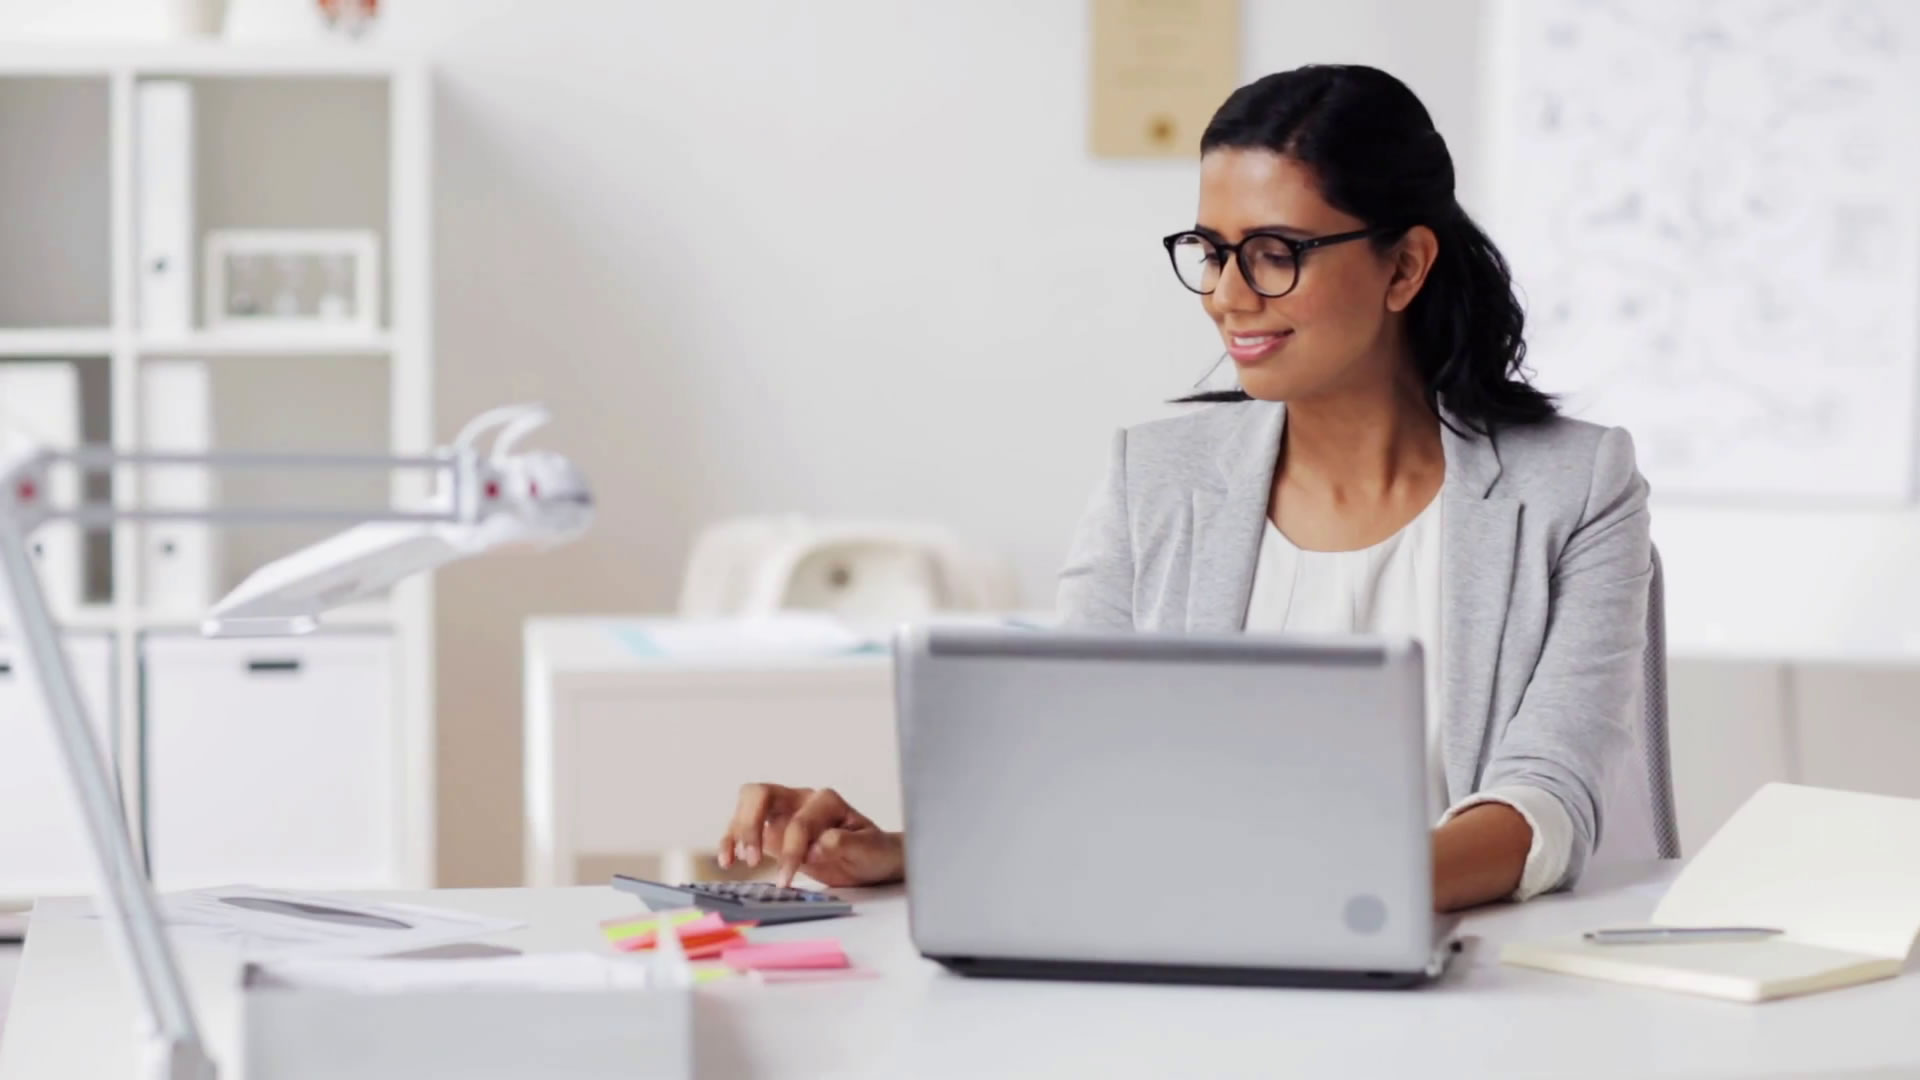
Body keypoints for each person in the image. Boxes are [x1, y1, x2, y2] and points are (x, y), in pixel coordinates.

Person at [716, 64, 1652, 912]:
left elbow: (1544, 798)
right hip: (1191, 969)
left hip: (1470, 987)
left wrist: (1322, 888)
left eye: (1275, 252)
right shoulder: (1152, 483)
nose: (1226, 296)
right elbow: (1080, 778)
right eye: (1212, 248)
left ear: (1403, 266)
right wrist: (903, 849)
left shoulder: (1576, 487)